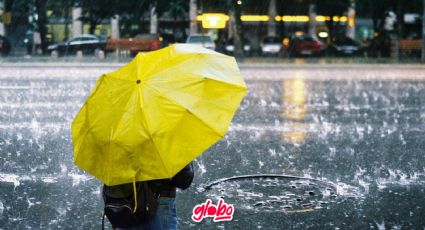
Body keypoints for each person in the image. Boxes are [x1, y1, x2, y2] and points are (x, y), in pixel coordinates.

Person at [103, 163, 194, 230]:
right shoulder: (166, 137)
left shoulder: (111, 139)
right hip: (159, 201)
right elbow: (182, 181)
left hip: (122, 204)